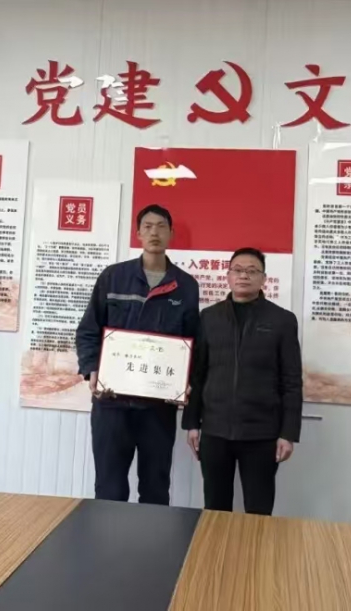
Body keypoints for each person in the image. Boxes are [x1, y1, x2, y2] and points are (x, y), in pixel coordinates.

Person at [76, 204, 199, 505]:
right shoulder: (113, 277)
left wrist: (185, 382)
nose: (154, 232)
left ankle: (150, 537)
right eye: (147, 226)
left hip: (158, 407)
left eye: (161, 226)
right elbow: (88, 330)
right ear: (138, 233)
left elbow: (192, 343)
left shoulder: (186, 286)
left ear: (171, 234)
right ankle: (107, 536)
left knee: (155, 489)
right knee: (110, 488)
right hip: (112, 404)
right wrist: (92, 369)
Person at [182, 248, 303, 516]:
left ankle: (256, 548)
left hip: (262, 433)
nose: (244, 276)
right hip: (215, 430)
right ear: (228, 276)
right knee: (215, 510)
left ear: (263, 279)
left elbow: (292, 381)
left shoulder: (282, 320)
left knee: (258, 512)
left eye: (251, 271)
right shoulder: (209, 317)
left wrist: (288, 433)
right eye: (237, 270)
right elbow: (197, 374)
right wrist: (192, 423)